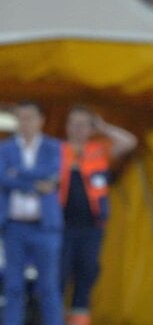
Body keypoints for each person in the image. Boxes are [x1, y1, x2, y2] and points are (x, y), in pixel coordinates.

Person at [59, 105, 137, 325]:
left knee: (86, 278)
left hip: (91, 229)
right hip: (60, 228)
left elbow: (129, 142)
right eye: (74, 124)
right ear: (67, 126)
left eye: (83, 124)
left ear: (90, 127)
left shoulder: (99, 149)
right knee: (58, 278)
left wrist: (102, 127)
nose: (78, 129)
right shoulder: (56, 151)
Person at [0, 101, 64, 325]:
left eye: (30, 118)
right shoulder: (5, 147)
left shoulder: (54, 147)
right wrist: (36, 184)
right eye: (21, 118)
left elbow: (53, 175)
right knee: (13, 285)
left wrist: (18, 176)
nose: (25, 123)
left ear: (40, 120)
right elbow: (3, 177)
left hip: (45, 226)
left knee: (48, 286)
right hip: (14, 226)